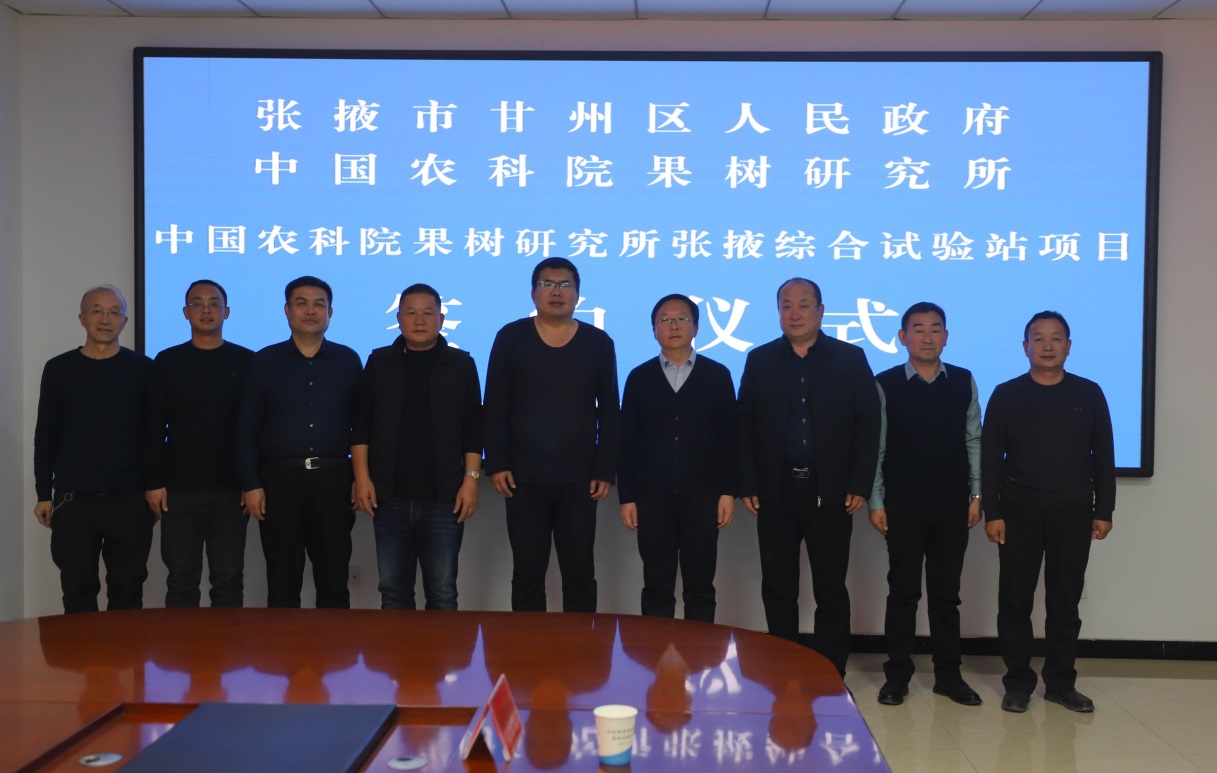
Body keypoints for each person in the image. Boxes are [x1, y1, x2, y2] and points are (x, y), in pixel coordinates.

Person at [738, 277, 880, 676]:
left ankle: (830, 673)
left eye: (803, 305)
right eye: (786, 305)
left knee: (830, 587)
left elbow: (868, 422)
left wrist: (859, 483)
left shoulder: (850, 358)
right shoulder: (760, 360)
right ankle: (782, 668)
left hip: (831, 492)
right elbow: (744, 425)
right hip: (776, 491)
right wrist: (748, 483)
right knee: (778, 587)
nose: (795, 313)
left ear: (821, 311)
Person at [983, 311, 1115, 714]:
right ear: (1025, 347)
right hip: (1018, 511)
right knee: (1015, 601)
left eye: (1056, 338)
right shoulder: (1006, 394)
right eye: (1038, 338)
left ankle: (1060, 684)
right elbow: (990, 458)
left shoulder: (1089, 393)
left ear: (1068, 346)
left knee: (1064, 603)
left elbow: (1103, 456)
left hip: (1073, 512)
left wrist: (1104, 509)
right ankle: (1018, 684)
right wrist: (993, 511)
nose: (1047, 345)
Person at [483, 257, 620, 613]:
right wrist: (496, 462)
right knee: (527, 573)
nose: (556, 292)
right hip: (522, 478)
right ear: (533, 293)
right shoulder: (511, 337)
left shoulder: (598, 342)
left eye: (565, 285)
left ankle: (584, 646)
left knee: (580, 573)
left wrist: (605, 468)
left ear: (578, 294)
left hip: (579, 479)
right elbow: (494, 404)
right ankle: (529, 646)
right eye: (547, 284)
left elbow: (609, 409)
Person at [867, 302, 983, 706]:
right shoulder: (884, 383)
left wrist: (977, 494)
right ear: (903, 337)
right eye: (918, 329)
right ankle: (897, 676)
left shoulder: (963, 381)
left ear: (946, 337)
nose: (927, 337)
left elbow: (973, 439)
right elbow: (877, 447)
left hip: (952, 505)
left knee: (946, 595)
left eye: (936, 329)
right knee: (902, 592)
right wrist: (876, 500)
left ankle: (948, 676)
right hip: (903, 505)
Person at [351, 283, 483, 610]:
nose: (419, 320)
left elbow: (473, 427)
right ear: (398, 319)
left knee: (442, 591)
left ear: (441, 319)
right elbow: (361, 424)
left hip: (445, 497)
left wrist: (471, 481)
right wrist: (362, 478)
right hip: (389, 496)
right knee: (393, 592)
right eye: (411, 313)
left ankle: (441, 649)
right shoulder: (380, 362)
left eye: (427, 313)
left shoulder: (461, 364)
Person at [236, 276, 362, 608]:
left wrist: (360, 478)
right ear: (287, 310)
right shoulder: (264, 361)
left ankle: (334, 643)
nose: (310, 310)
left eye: (319, 304)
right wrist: (251, 484)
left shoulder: (348, 360)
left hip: (334, 480)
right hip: (279, 481)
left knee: (334, 579)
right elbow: (247, 428)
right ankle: (283, 643)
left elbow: (362, 426)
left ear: (330, 312)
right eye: (301, 303)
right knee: (282, 579)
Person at [34, 285, 154, 613]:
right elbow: (46, 434)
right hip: (74, 499)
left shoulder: (143, 369)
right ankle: (80, 651)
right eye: (97, 311)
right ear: (82, 318)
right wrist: (44, 493)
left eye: (114, 312)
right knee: (77, 590)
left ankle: (124, 649)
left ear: (125, 321)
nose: (105, 319)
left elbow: (153, 435)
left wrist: (154, 488)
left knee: (128, 591)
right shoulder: (59, 368)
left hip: (130, 498)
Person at [618, 293, 738, 622]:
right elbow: (626, 442)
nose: (673, 325)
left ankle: (700, 653)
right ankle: (656, 652)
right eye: (665, 319)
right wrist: (627, 497)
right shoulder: (639, 377)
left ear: (696, 328)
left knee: (700, 587)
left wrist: (728, 492)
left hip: (704, 498)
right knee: (656, 586)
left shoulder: (718, 375)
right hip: (652, 498)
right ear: (654, 330)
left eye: (682, 318)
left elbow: (730, 438)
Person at [143, 280, 254, 608]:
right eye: (198, 303)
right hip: (178, 491)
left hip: (231, 490)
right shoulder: (167, 361)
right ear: (185, 312)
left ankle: (225, 643)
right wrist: (153, 482)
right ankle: (184, 644)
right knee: (181, 580)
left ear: (227, 312)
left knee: (228, 580)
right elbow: (152, 426)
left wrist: (252, 482)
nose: (206, 310)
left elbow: (255, 428)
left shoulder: (247, 361)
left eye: (214, 303)